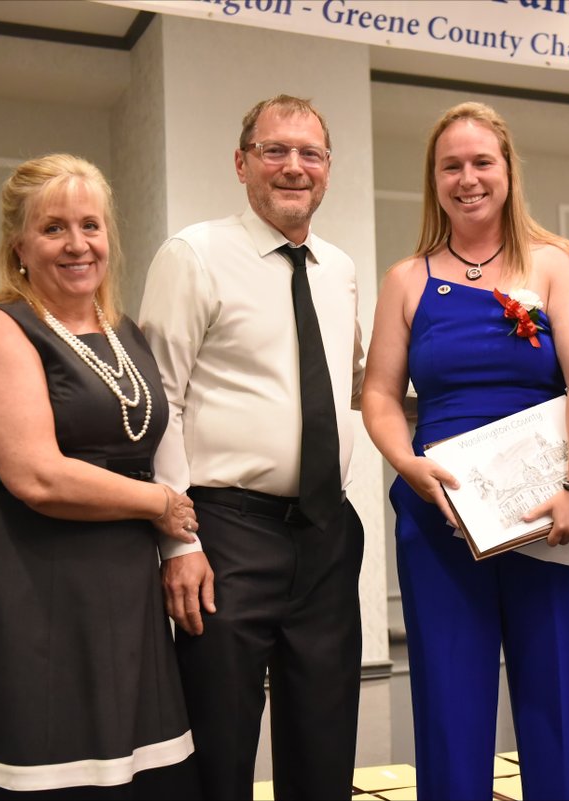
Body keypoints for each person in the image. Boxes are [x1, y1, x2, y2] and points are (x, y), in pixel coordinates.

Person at [0, 154, 200, 798]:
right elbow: (36, 475)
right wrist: (159, 502)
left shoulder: (126, 331)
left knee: (133, 768)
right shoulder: (0, 327)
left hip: (123, 586)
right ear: (19, 244)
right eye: (54, 229)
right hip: (32, 579)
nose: (78, 244)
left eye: (91, 226)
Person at [361, 101, 569, 800]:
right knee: (448, 711)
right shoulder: (407, 279)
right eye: (451, 166)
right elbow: (379, 394)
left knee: (554, 705)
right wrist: (407, 464)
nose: (467, 178)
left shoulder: (556, 262)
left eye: (481, 162)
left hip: (549, 512)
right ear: (434, 179)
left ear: (507, 170)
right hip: (441, 518)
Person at [137, 95, 366, 800]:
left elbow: (358, 386)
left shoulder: (341, 268)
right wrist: (178, 543)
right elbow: (157, 404)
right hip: (226, 533)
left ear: (328, 169)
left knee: (325, 747)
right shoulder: (194, 255)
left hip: (327, 532)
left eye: (310, 154)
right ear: (242, 163)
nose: (293, 167)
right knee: (220, 744)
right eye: (275, 150)